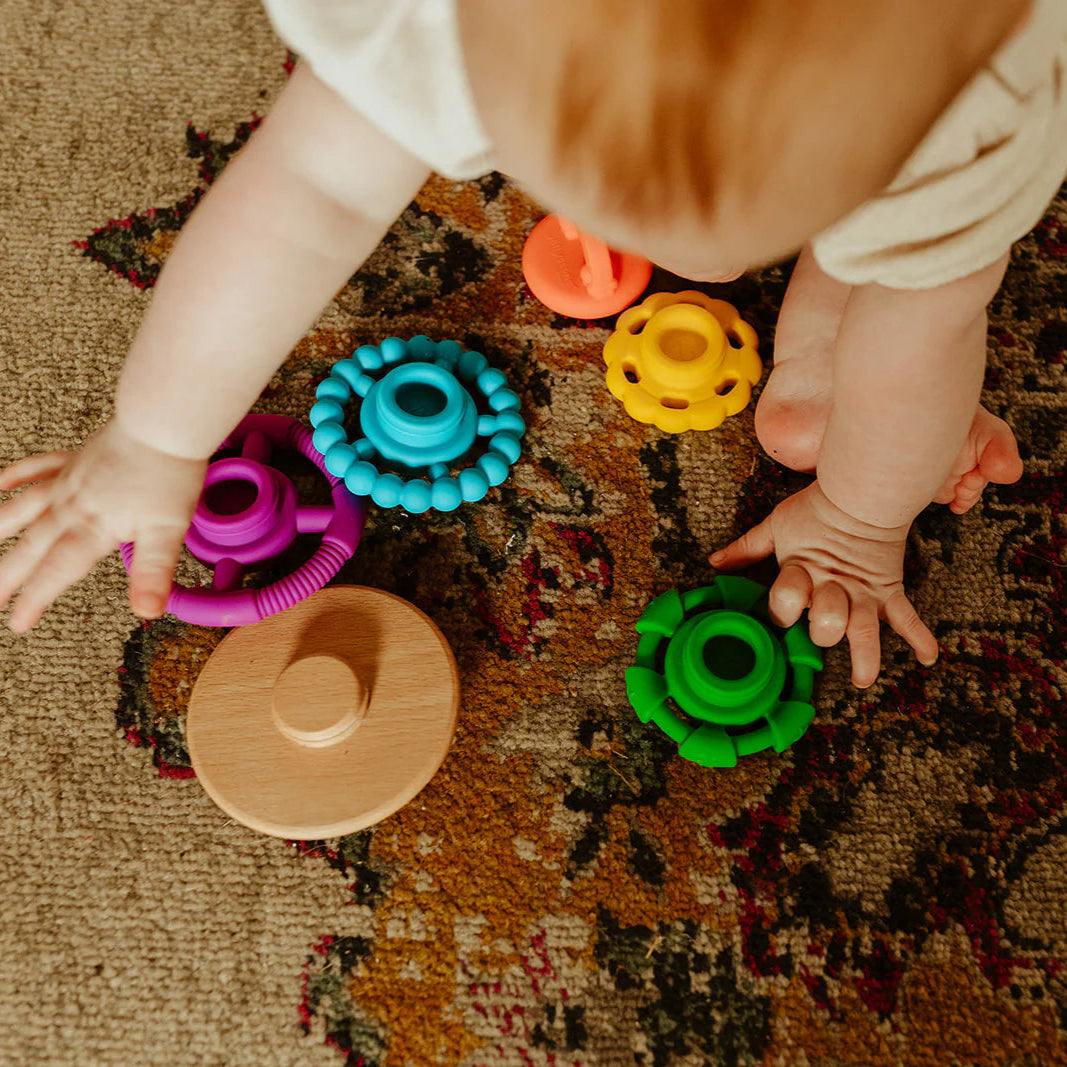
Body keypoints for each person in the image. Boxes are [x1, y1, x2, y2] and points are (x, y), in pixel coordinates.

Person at [0, 0, 1060, 689]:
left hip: (924, 134)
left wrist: (858, 521)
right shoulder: (425, 18)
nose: (677, 262)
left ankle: (859, 240)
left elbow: (928, 327)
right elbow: (307, 190)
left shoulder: (979, 110)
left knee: (913, 303)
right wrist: (157, 434)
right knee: (831, 384)